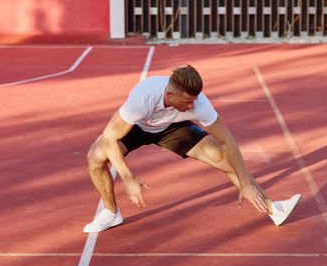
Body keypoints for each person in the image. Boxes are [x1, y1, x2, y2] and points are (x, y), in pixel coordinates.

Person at [84, 65, 301, 233]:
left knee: (224, 158)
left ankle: (274, 209)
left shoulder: (199, 104)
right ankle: (111, 213)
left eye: (194, 101)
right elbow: (110, 137)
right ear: (170, 95)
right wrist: (128, 177)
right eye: (187, 102)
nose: (192, 106)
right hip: (138, 127)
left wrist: (244, 181)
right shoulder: (143, 97)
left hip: (173, 128)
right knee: (95, 157)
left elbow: (228, 140)